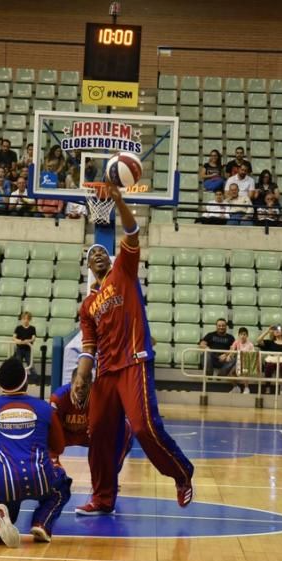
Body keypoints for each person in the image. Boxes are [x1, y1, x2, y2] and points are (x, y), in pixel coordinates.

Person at [73, 182, 195, 515]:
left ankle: (182, 473)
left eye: (102, 251)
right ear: (87, 267)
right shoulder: (88, 305)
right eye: (91, 253)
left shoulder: (123, 273)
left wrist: (118, 200)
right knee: (98, 433)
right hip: (106, 372)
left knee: (143, 427)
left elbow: (132, 230)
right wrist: (82, 378)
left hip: (134, 361)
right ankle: (102, 498)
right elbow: (88, 346)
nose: (97, 253)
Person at [0, 357, 72, 547]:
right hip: (41, 479)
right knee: (61, 486)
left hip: (3, 482)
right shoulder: (45, 409)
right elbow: (59, 448)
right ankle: (42, 523)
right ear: (26, 380)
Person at [258, 325, 282, 394]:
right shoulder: (270, 342)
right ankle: (267, 387)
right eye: (275, 330)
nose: (277, 331)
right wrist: (267, 331)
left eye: (279, 329)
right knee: (269, 365)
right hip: (272, 360)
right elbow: (258, 340)